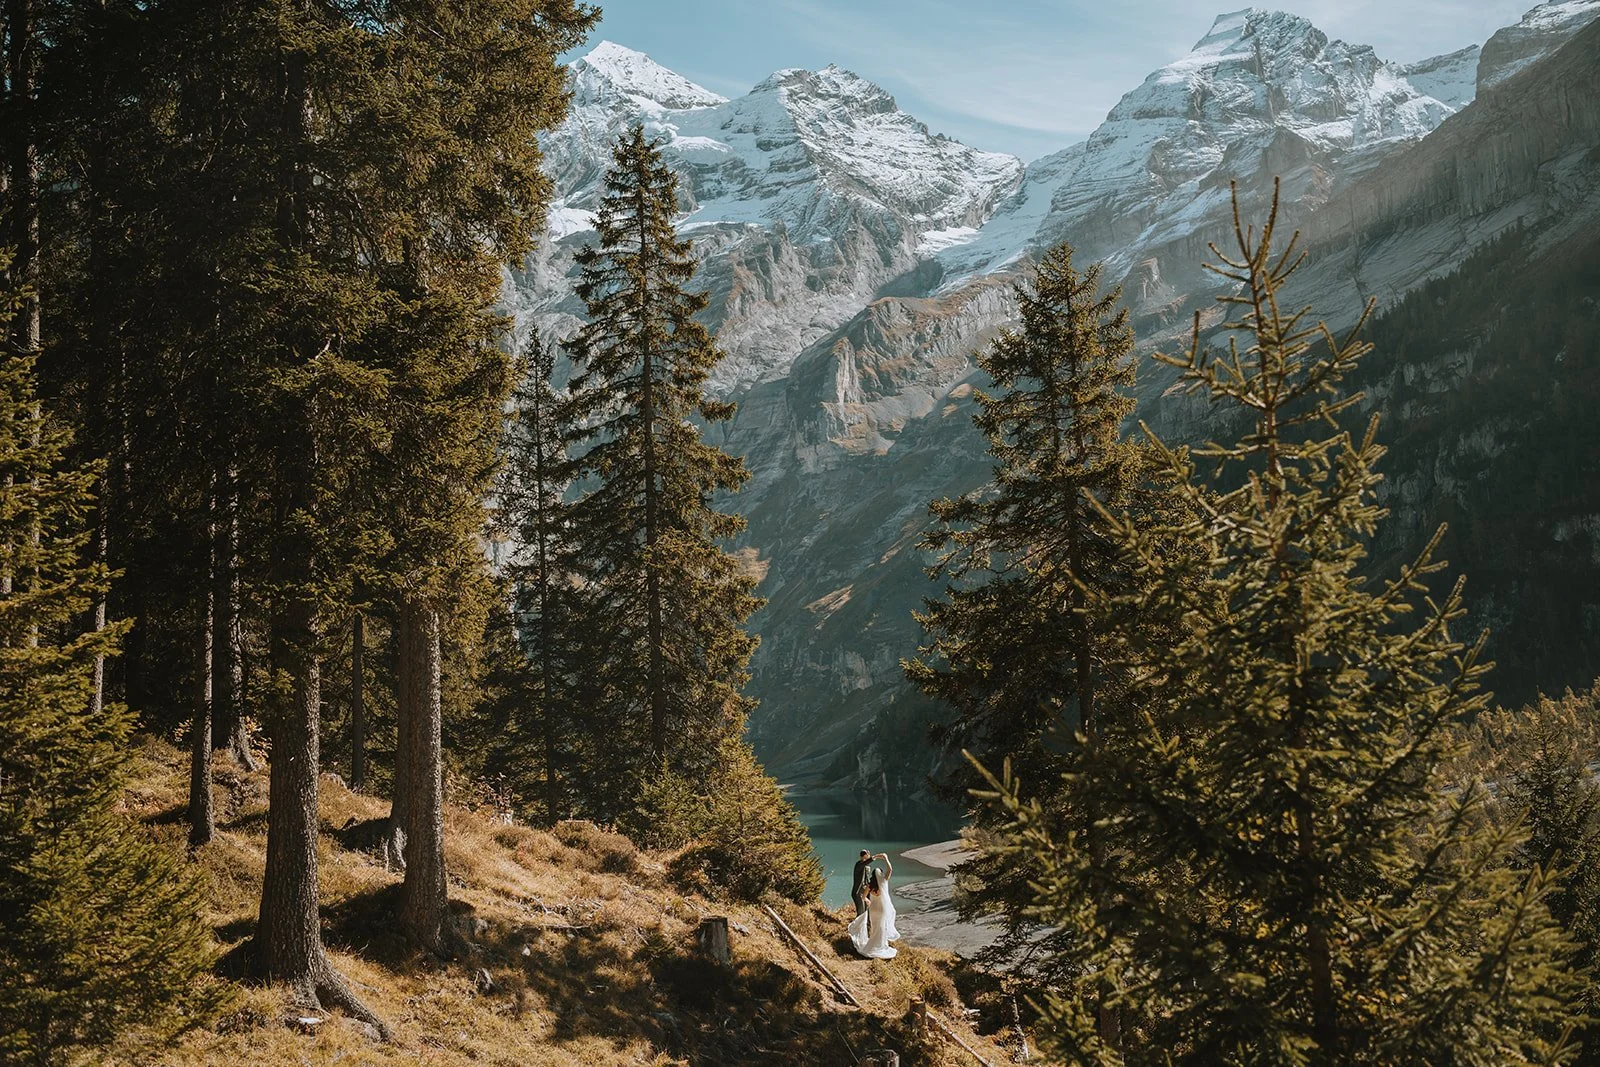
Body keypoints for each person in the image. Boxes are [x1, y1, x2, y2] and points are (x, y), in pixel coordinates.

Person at [847, 852, 898, 959]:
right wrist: (886, 859)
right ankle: (880, 946)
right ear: (881, 875)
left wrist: (867, 901)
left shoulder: (870, 886)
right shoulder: (884, 881)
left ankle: (872, 946)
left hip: (873, 909)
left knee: (875, 928)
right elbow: (890, 870)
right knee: (881, 927)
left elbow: (863, 897)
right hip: (882, 908)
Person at [851, 849, 872, 917]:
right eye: (868, 854)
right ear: (865, 855)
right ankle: (857, 926)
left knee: (866, 910)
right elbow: (863, 864)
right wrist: (875, 857)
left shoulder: (867, 867)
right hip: (858, 892)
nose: (869, 856)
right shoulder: (859, 864)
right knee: (861, 911)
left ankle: (866, 926)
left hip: (865, 891)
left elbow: (867, 879)